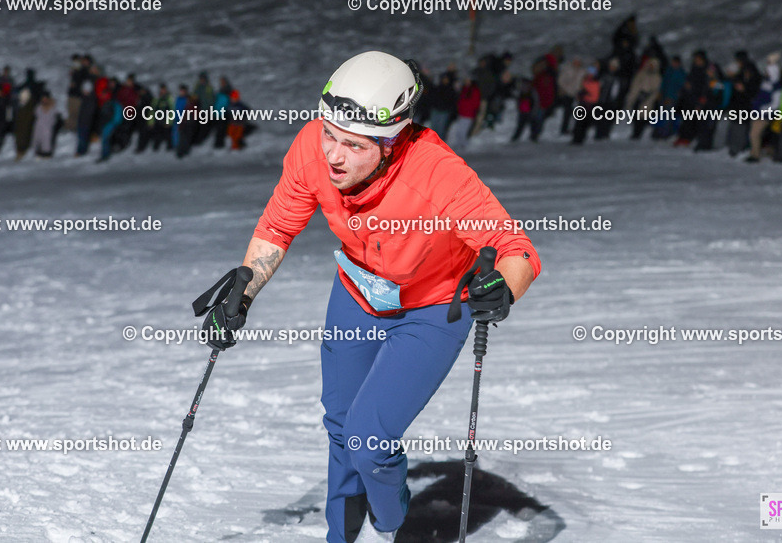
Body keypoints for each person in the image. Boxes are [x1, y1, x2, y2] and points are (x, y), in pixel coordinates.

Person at [198, 50, 540, 543]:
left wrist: (501, 289)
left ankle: (395, 521)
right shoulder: (314, 150)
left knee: (369, 437)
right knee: (339, 423)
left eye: (353, 145)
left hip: (433, 308)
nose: (333, 154)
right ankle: (342, 528)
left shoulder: (437, 174)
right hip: (358, 292)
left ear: (390, 141)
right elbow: (277, 227)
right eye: (329, 134)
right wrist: (244, 291)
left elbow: (517, 250)